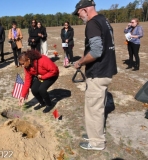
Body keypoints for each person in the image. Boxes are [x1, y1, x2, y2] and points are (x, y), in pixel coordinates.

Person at [73, 0, 117, 150]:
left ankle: (96, 142)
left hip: (98, 72)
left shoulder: (92, 23)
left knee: (93, 109)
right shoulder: (103, 20)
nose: (78, 17)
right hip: (106, 70)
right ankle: (95, 133)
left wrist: (80, 62)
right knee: (98, 106)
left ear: (84, 9)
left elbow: (96, 51)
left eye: (78, 13)